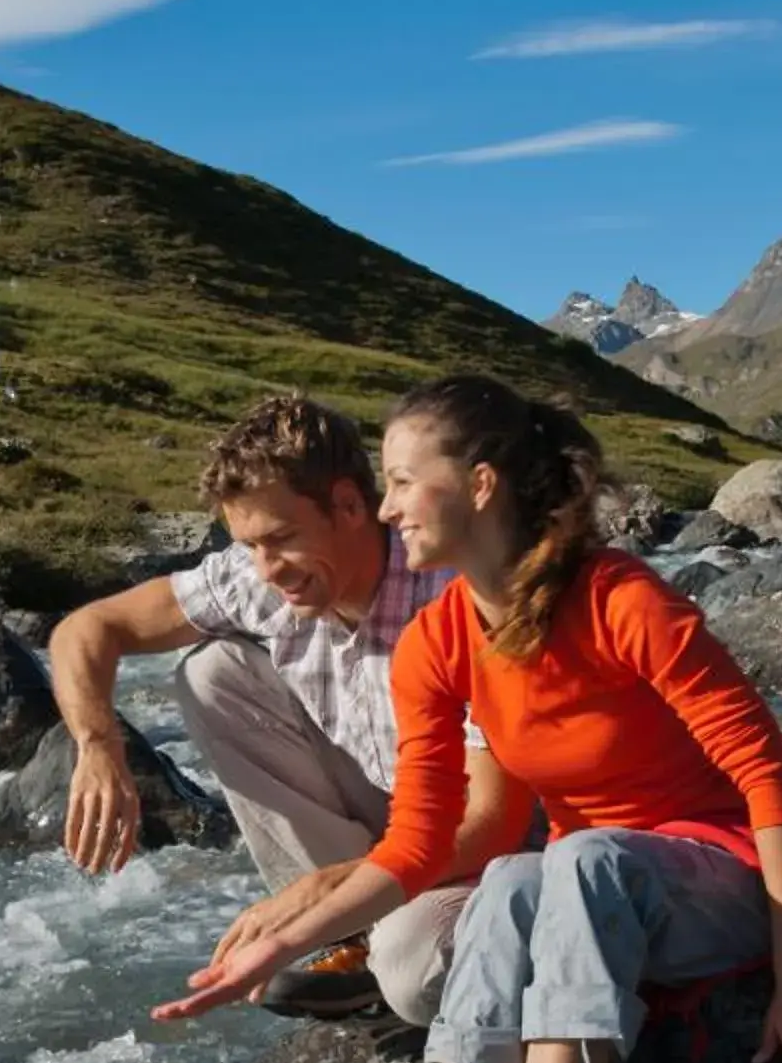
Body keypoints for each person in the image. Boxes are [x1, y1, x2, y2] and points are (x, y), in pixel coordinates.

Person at [156, 375, 782, 1063]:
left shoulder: (622, 599)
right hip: (586, 889)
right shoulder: (437, 641)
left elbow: (769, 773)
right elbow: (420, 844)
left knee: (580, 859)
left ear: (480, 485)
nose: (387, 504)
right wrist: (282, 944)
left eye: (402, 480)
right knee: (514, 877)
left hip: (711, 878)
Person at [47, 393, 528, 1020]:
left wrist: (327, 886)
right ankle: (352, 938)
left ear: (352, 506)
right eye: (248, 544)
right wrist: (97, 744)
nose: (266, 568)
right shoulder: (263, 577)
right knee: (213, 672)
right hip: (401, 811)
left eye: (280, 538)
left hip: (499, 843)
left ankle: (375, 930)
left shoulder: (455, 592)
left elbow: (495, 818)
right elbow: (86, 628)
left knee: (412, 977)